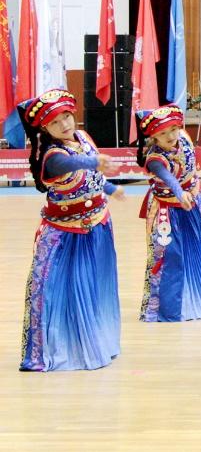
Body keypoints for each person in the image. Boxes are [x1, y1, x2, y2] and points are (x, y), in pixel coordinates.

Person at [18, 89, 125, 371]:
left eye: (66, 116)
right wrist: (93, 161)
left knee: (95, 288)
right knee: (66, 292)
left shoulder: (83, 138)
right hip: (65, 236)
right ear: (44, 128)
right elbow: (70, 164)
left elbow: (93, 177)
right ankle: (70, 349)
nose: (64, 124)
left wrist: (111, 189)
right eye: (55, 122)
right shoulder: (51, 155)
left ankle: (97, 342)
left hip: (97, 226)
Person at [136, 105, 201, 322]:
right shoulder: (155, 159)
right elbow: (169, 179)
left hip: (193, 202)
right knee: (171, 255)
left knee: (199, 247)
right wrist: (180, 193)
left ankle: (198, 294)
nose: (170, 136)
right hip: (167, 210)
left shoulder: (183, 137)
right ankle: (170, 306)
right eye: (162, 133)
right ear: (153, 137)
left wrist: (192, 191)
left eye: (173, 129)